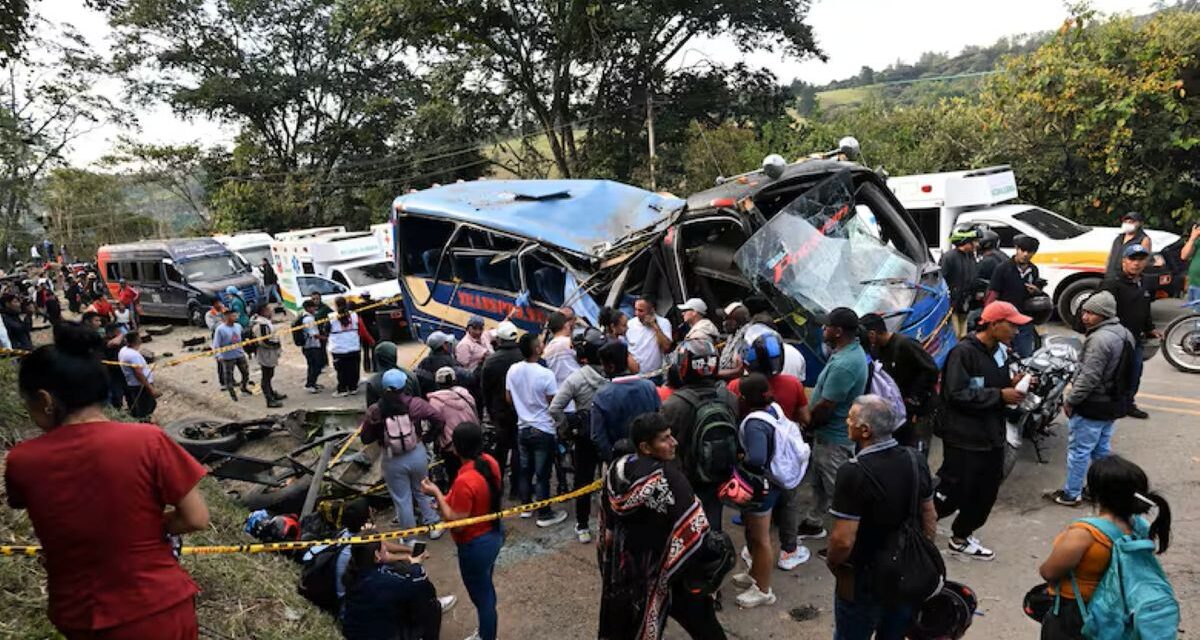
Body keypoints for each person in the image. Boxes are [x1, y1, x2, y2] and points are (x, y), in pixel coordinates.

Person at [4, 322, 210, 639]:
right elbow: (196, 518)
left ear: (45, 399)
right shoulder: (148, 440)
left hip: (83, 614)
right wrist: (148, 526)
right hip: (163, 606)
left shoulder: (22, 461)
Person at [597, 413, 724, 640]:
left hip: (629, 569)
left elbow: (608, 525)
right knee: (705, 627)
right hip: (671, 569)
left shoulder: (617, 471)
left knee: (628, 627)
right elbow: (694, 531)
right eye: (665, 438)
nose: (673, 442)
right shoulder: (669, 479)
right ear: (646, 447)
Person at [827, 395, 937, 639]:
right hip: (905, 573)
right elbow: (929, 515)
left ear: (865, 431)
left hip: (863, 577)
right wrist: (920, 554)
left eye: (851, 418)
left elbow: (843, 540)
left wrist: (834, 564)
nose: (847, 421)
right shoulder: (914, 459)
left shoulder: (853, 472)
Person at [934, 301, 1031, 560]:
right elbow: (956, 394)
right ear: (993, 324)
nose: (1016, 331)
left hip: (991, 435)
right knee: (952, 490)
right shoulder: (963, 354)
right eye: (1011, 325)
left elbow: (992, 383)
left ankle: (961, 536)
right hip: (964, 438)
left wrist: (1011, 384)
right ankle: (920, 527)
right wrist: (1000, 395)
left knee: (985, 491)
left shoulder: (1000, 350)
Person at [1037, 455, 1172, 639]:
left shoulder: (1085, 534)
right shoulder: (1140, 527)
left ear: (1097, 493)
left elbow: (1049, 572)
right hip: (1120, 610)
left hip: (1078, 612)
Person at [727, 333, 811, 570]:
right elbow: (805, 418)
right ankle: (789, 550)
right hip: (783, 462)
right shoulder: (792, 384)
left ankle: (752, 550)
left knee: (752, 509)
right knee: (788, 503)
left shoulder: (736, 386)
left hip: (753, 463)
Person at [1044, 292, 1135, 507]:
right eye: (1084, 311)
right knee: (1100, 450)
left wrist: (1071, 400)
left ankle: (1071, 493)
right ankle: (1100, 489)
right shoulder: (1124, 333)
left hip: (1093, 404)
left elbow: (1089, 377)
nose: (1085, 317)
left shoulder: (1099, 339)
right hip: (1112, 403)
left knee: (1079, 452)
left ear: (1104, 315)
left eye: (1091, 313)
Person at [420, 422, 504, 640]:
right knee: (486, 587)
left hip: (474, 544)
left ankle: (487, 636)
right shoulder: (490, 463)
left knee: (482, 598)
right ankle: (486, 632)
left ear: (456, 448)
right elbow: (471, 503)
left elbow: (457, 520)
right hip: (494, 534)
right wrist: (447, 500)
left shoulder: (465, 480)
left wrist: (438, 494)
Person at [799, 307, 868, 541]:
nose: (823, 329)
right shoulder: (845, 352)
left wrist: (806, 422)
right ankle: (814, 523)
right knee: (819, 483)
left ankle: (849, 543)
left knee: (840, 494)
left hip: (833, 439)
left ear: (838, 331)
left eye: (826, 326)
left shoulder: (844, 364)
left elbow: (826, 407)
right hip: (828, 436)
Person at [660, 339, 738, 531]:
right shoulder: (729, 397)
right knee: (713, 519)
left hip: (686, 478)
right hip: (719, 472)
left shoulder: (673, 404)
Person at [361, 369, 444, 538]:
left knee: (402, 499)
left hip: (392, 458)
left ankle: (410, 538)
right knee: (422, 489)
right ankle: (433, 523)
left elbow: (365, 438)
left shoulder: (376, 410)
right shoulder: (415, 404)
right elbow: (439, 419)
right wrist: (428, 437)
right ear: (405, 385)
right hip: (416, 451)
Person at [729, 373, 784, 608]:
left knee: (761, 539)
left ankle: (763, 589)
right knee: (752, 533)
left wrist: (742, 457)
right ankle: (754, 574)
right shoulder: (774, 409)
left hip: (762, 485)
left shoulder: (754, 423)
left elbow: (757, 458)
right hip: (773, 481)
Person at [548, 328, 608, 543]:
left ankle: (582, 524)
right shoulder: (613, 376)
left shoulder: (575, 379)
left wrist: (566, 429)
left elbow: (555, 408)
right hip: (608, 436)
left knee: (583, 481)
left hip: (585, 437)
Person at [506, 332, 567, 527]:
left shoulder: (513, 370)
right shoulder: (545, 374)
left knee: (525, 470)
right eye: (541, 344)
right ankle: (544, 514)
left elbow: (508, 398)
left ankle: (526, 507)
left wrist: (523, 407)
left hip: (522, 427)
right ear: (537, 349)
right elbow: (553, 403)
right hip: (543, 429)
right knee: (542, 474)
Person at [860, 313, 940, 453]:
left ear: (872, 334)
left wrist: (913, 399)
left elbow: (930, 370)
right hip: (898, 412)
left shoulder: (905, 345)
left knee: (916, 451)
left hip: (919, 410)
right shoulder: (876, 350)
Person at [339, 542, 445, 640]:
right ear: (377, 555)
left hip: (358, 633)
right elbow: (422, 586)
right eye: (383, 545)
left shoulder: (354, 574)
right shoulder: (383, 581)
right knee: (432, 606)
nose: (386, 546)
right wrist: (416, 566)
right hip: (383, 634)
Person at [1101, 244, 1159, 420]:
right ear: (1124, 261)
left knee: (1135, 372)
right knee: (1114, 374)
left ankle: (1128, 404)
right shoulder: (1112, 283)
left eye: (1141, 259)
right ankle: (1109, 405)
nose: (1136, 263)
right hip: (1116, 338)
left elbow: (1145, 308)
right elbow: (1099, 310)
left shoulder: (1144, 282)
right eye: (1132, 259)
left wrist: (1150, 329)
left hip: (1136, 337)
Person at [591, 340, 662, 463]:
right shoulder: (649, 387)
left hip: (620, 461)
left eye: (603, 365)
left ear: (611, 366)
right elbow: (660, 420)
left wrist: (612, 460)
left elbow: (597, 436)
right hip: (651, 458)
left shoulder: (602, 396)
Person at [480, 321, 523, 494]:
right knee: (518, 450)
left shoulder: (491, 362)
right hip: (520, 410)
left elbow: (485, 391)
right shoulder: (523, 356)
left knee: (501, 449)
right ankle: (516, 486)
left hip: (500, 412)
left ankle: (497, 485)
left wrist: (491, 412)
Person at [987, 234, 1044, 357]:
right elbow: (993, 293)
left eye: (1030, 252)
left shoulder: (1034, 270)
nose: (1025, 254)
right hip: (1005, 319)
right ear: (1016, 249)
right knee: (1003, 355)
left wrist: (1036, 291)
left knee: (1025, 355)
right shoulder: (1003, 268)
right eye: (1022, 250)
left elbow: (1037, 294)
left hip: (1024, 319)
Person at [426, 366, 479, 483]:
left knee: (455, 476)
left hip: (452, 446)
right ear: (455, 381)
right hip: (472, 440)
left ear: (437, 383)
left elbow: (436, 425)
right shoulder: (466, 395)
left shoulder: (435, 401)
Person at [940, 226, 980, 337]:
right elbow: (942, 279)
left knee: (963, 334)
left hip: (965, 303)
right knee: (955, 334)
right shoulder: (949, 257)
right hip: (952, 305)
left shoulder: (970, 256)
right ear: (965, 241)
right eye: (974, 241)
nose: (977, 245)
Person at [626, 297, 672, 380]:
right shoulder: (630, 324)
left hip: (654, 375)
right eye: (636, 309)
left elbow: (666, 347)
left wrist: (654, 326)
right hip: (635, 375)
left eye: (641, 311)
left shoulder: (664, 323)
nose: (637, 313)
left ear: (651, 311)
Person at [329, 296, 366, 397]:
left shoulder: (331, 317)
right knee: (354, 368)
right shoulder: (354, 315)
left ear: (336, 305)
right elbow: (361, 328)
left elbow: (325, 330)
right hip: (353, 346)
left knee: (341, 370)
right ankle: (353, 387)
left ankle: (342, 389)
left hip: (338, 348)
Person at [119, 330, 160, 420]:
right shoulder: (133, 355)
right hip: (140, 386)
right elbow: (138, 373)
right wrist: (151, 388)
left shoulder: (124, 350)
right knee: (145, 409)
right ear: (137, 340)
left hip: (133, 384)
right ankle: (144, 425)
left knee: (145, 406)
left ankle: (140, 422)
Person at [365, 341, 422, 405]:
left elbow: (371, 409)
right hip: (410, 413)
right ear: (395, 356)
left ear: (377, 358)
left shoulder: (373, 382)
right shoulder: (411, 376)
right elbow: (418, 401)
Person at [252, 303, 286, 408]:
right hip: (266, 352)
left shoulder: (265, 322)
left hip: (270, 352)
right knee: (266, 376)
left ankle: (271, 393)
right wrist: (275, 345)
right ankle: (269, 399)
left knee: (269, 374)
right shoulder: (261, 324)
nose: (270, 311)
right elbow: (264, 341)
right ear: (263, 311)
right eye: (268, 309)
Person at [214, 308, 251, 400]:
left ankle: (243, 387)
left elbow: (241, 338)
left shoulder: (238, 326)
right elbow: (216, 344)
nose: (235, 317)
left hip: (239, 353)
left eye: (235, 315)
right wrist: (218, 355)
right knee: (229, 376)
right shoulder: (220, 329)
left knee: (245, 372)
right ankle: (232, 393)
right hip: (227, 357)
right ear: (227, 317)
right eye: (233, 315)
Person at [1104, 211, 1152, 277]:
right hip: (1111, 275)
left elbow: (1144, 260)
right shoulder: (1118, 238)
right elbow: (1111, 256)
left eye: (1131, 222)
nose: (1128, 224)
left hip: (1127, 278)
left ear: (1139, 223)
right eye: (1125, 222)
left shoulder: (1144, 239)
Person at [597, 306, 640, 373]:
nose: (627, 328)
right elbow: (635, 369)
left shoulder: (602, 339)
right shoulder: (618, 346)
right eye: (624, 325)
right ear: (613, 326)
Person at [300, 299, 328, 393]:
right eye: (313, 307)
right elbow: (314, 334)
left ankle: (312, 383)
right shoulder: (309, 319)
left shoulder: (305, 317)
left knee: (312, 365)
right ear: (308, 308)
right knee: (316, 365)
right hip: (312, 346)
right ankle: (310, 384)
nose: (315, 309)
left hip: (309, 346)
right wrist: (325, 338)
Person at [1182, 222, 1200, 303]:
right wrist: (1192, 237)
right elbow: (1184, 256)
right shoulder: (1197, 240)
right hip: (1194, 284)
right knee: (1194, 314)